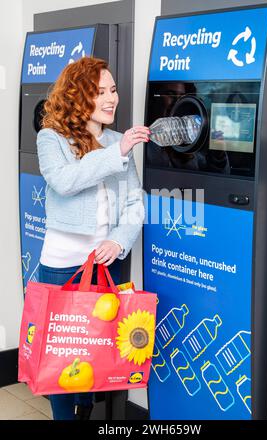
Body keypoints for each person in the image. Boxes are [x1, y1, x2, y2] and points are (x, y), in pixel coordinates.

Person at [37, 56, 149, 420]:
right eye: (99, 91)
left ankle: (85, 405)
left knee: (96, 348)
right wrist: (114, 153)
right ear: (77, 96)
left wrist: (118, 241)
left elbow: (134, 202)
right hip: (62, 266)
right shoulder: (51, 138)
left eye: (113, 89)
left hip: (105, 265)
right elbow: (65, 181)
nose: (111, 98)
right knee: (61, 356)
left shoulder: (118, 140)